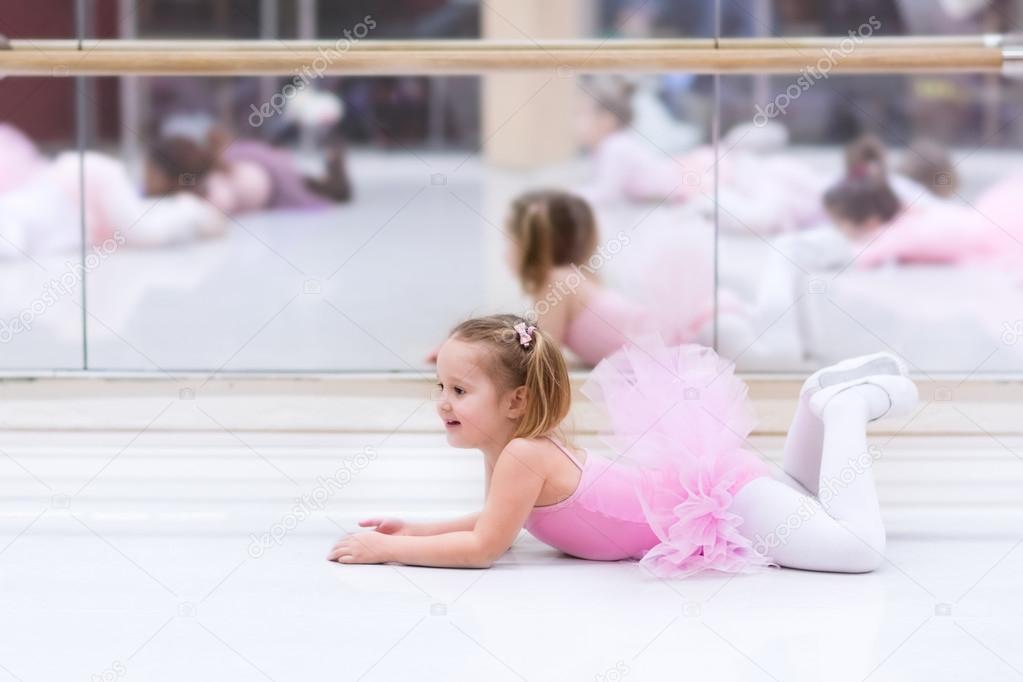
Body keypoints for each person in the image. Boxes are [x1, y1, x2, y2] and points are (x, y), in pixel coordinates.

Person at [329, 314, 918, 577]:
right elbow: (494, 524)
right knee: (802, 496)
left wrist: (388, 553)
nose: (443, 402)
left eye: (459, 389)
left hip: (723, 501)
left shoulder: (523, 453)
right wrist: (412, 530)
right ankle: (817, 397)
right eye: (441, 387)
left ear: (514, 402)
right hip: (717, 490)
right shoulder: (514, 453)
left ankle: (846, 407)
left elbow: (487, 547)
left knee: (859, 548)